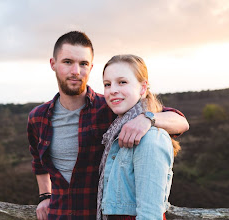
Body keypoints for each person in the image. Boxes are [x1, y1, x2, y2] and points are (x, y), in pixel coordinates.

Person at [27, 31, 189, 220]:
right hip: (59, 214)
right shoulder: (38, 118)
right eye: (68, 62)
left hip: (96, 214)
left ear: (91, 67)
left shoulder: (112, 107)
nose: (76, 71)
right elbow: (38, 162)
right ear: (53, 64)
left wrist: (147, 119)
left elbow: (180, 121)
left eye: (83, 64)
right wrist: (45, 195)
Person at [97, 54, 181, 220]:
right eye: (107, 84)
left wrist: (147, 119)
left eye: (122, 82)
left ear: (143, 88)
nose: (112, 89)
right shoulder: (115, 129)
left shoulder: (150, 138)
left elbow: (150, 215)